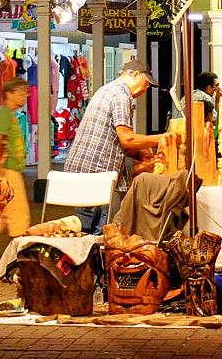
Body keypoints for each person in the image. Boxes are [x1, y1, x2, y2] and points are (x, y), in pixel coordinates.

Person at [63, 59, 165, 233]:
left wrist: (140, 155)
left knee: (86, 228)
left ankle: (87, 258)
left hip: (82, 171)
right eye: (145, 83)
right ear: (135, 75)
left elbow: (113, 138)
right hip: (96, 175)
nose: (145, 89)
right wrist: (162, 139)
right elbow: (127, 139)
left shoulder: (107, 90)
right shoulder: (120, 95)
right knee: (104, 231)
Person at [0, 77, 31, 239]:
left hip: (11, 169)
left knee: (3, 215)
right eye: (21, 92)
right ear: (9, 93)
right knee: (19, 214)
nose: (25, 96)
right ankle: (19, 255)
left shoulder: (9, 114)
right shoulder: (3, 113)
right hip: (8, 170)